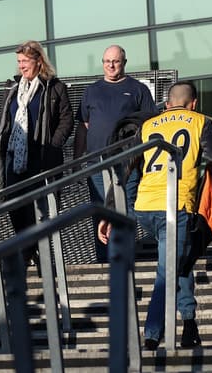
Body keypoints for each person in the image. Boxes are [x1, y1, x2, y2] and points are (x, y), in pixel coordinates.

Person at [98, 81, 212, 350]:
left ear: (167, 104)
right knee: (168, 270)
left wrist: (109, 209)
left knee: (181, 260)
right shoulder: (202, 122)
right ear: (194, 103)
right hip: (176, 205)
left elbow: (127, 167)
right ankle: (152, 335)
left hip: (145, 205)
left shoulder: (150, 124)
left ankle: (190, 326)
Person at [0, 40, 73, 263]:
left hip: (42, 156)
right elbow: (5, 123)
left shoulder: (54, 87)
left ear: (39, 61)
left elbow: (66, 120)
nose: (21, 65)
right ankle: (29, 247)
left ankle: (35, 249)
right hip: (14, 158)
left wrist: (53, 144)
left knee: (39, 206)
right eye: (19, 61)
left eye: (25, 61)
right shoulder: (13, 87)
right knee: (15, 205)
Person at [76, 44, 157, 262]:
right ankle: (105, 262)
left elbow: (151, 124)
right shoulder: (91, 91)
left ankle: (123, 257)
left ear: (124, 63)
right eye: (107, 61)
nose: (111, 65)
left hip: (128, 160)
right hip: (96, 161)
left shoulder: (138, 89)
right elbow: (83, 126)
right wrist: (77, 159)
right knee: (101, 208)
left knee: (125, 206)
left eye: (116, 61)